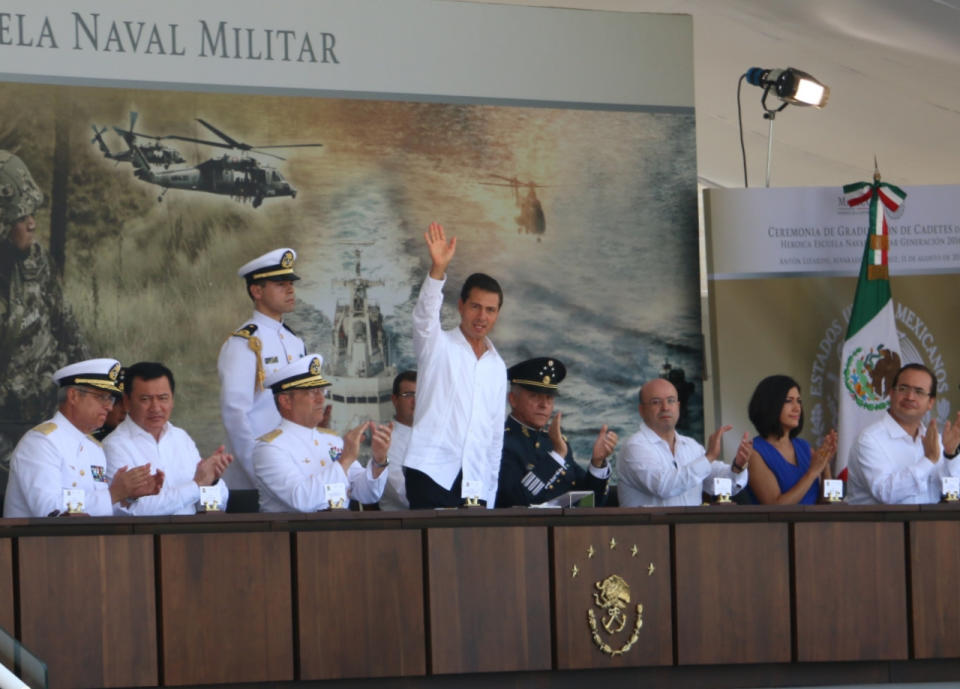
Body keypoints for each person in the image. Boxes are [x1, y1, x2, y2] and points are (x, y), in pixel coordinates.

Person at [0, 150, 88, 499]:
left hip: (45, 411)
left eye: (33, 214)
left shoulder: (37, 260)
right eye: (22, 217)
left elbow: (65, 322)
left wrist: (94, 386)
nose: (32, 224)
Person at [403, 222, 508, 509]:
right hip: (431, 472)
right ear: (461, 306)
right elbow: (424, 317)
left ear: (497, 314)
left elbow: (495, 435)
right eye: (475, 306)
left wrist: (491, 489)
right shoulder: (437, 345)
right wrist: (437, 270)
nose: (482, 316)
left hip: (475, 482)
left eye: (490, 310)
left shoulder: (497, 366)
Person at [3, 358, 161, 517]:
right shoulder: (41, 443)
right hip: (37, 541)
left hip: (87, 541)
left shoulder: (95, 448)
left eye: (111, 399)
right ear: (74, 396)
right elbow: (50, 510)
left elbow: (97, 510)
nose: (110, 406)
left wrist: (127, 496)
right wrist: (113, 493)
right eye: (102, 397)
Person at [253, 354, 392, 512]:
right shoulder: (269, 448)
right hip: (295, 534)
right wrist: (345, 459)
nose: (321, 399)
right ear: (286, 401)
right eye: (312, 392)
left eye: (321, 391)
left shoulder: (332, 440)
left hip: (340, 531)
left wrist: (379, 461)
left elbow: (367, 494)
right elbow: (302, 500)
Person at [218, 247, 306, 491]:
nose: (290, 289)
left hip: (293, 467)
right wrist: (260, 471)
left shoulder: (295, 342)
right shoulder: (244, 343)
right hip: (254, 478)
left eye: (290, 282)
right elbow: (235, 414)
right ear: (256, 290)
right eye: (280, 283)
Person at [103, 362, 232, 515]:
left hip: (194, 533)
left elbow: (213, 504)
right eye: (145, 399)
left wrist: (211, 482)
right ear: (127, 402)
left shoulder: (181, 438)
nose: (156, 408)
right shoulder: (114, 446)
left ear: (172, 400)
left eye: (163, 398)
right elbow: (133, 510)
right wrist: (197, 485)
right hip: (146, 537)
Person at [496, 357, 617, 507]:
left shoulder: (553, 441)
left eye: (549, 397)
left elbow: (591, 502)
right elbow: (514, 501)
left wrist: (597, 463)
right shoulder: (500, 442)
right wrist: (557, 455)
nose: (544, 405)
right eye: (535, 396)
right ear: (513, 400)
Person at [617, 378, 752, 507]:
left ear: (678, 406)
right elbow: (664, 487)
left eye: (671, 401)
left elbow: (721, 486)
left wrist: (737, 467)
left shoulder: (691, 446)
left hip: (691, 529)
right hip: (649, 530)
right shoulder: (635, 447)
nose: (665, 407)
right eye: (656, 402)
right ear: (642, 410)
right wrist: (709, 457)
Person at [847, 363, 960, 504]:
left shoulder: (935, 440)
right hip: (880, 525)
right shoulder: (869, 440)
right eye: (903, 389)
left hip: (930, 525)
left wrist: (950, 455)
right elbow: (886, 494)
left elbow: (953, 492)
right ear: (891, 394)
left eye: (919, 392)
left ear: (930, 402)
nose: (910, 397)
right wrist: (928, 460)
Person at [744, 374, 836, 505]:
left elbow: (825, 504)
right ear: (770, 404)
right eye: (789, 401)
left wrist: (825, 465)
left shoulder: (804, 447)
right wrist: (812, 472)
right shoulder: (754, 453)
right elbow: (775, 507)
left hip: (814, 525)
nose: (797, 408)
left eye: (799, 401)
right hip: (779, 525)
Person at [378, 370, 416, 511]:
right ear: (395, 400)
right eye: (408, 395)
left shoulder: (436, 437)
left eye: (420, 394)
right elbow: (401, 492)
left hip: (441, 518)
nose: (415, 401)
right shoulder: (386, 441)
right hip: (402, 525)